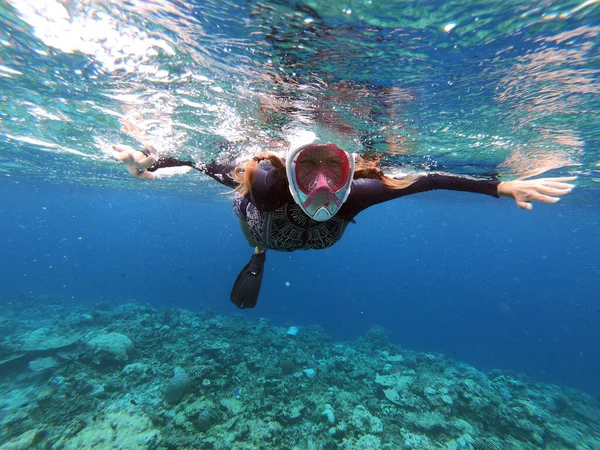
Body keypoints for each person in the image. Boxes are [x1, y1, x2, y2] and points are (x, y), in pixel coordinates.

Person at [113, 132, 576, 308]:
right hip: (266, 231)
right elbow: (198, 162)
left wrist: (501, 185)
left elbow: (430, 178)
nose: (320, 188)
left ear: (348, 170)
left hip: (303, 235)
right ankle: (257, 253)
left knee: (257, 224)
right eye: (308, 173)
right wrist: (148, 160)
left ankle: (259, 249)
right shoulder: (267, 184)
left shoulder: (357, 193)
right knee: (253, 226)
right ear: (289, 176)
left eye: (332, 171)